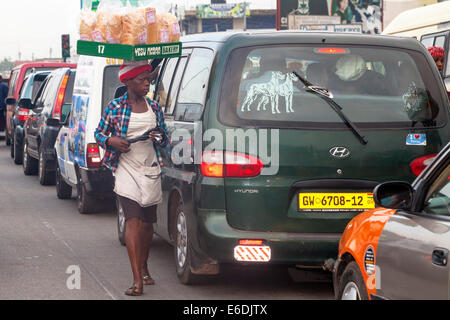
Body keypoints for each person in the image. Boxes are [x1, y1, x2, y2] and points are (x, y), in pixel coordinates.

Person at [94, 60, 168, 296]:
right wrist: (110, 141)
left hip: (150, 167)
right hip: (125, 167)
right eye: (142, 80)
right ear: (128, 82)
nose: (147, 83)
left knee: (147, 223)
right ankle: (137, 279)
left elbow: (165, 138)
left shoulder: (155, 108)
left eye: (149, 79)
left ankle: (144, 265)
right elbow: (99, 133)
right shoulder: (115, 107)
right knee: (133, 221)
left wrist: (159, 136)